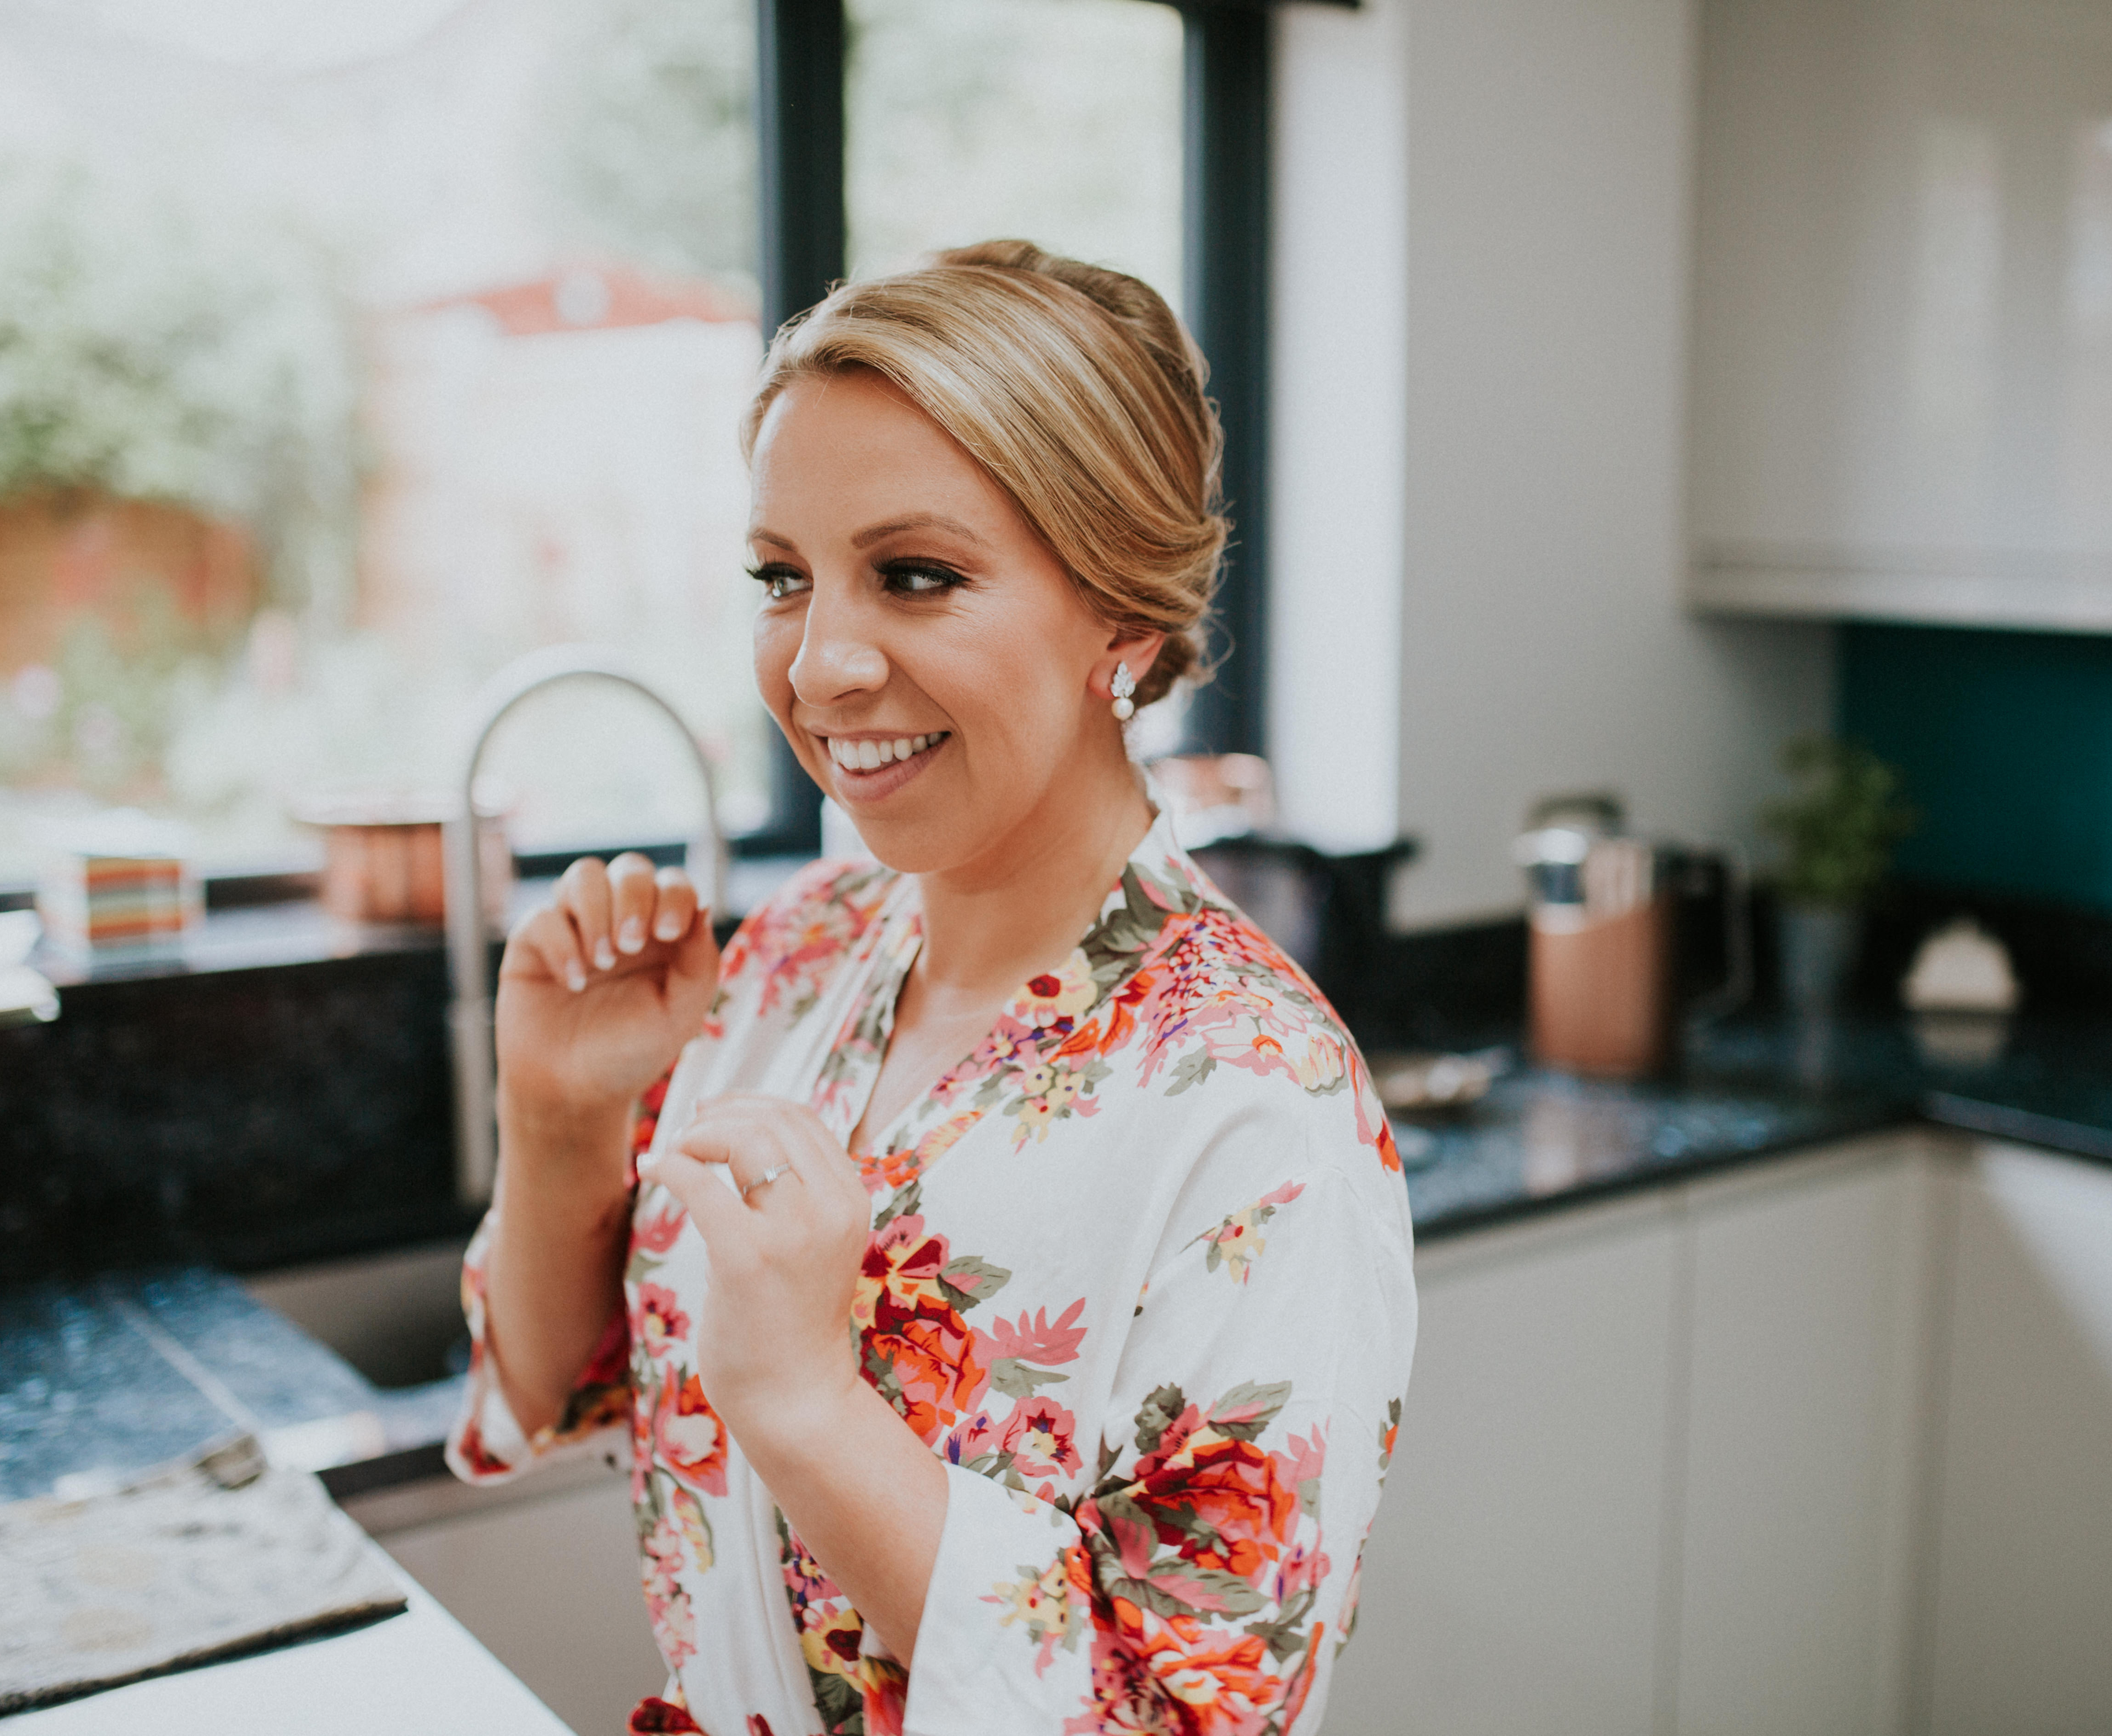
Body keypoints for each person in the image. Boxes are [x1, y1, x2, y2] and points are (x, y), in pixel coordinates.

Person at [448, 240, 1416, 1736]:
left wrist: (813, 1408)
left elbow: (1178, 1722)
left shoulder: (1253, 1108)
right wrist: (561, 1121)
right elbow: (564, 1390)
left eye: (914, 575)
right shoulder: (797, 952)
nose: (820, 664)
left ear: (1121, 615)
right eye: (782, 576)